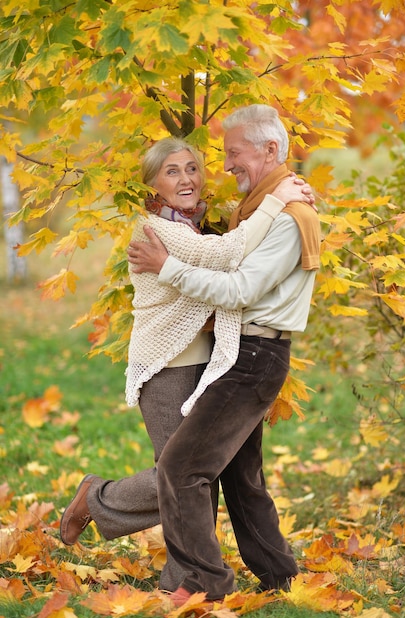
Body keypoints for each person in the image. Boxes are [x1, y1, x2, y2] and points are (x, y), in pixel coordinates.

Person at [59, 134, 315, 593]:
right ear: (153, 185)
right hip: (166, 367)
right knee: (178, 475)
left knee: (196, 474)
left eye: (192, 168)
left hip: (211, 364)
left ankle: (184, 579)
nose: (186, 178)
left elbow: (229, 255)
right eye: (172, 171)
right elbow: (226, 255)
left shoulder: (197, 225)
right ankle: (97, 500)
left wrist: (281, 195)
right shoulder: (157, 231)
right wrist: (277, 201)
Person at [130, 104, 321, 605]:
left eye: (233, 154)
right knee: (240, 475)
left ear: (270, 150)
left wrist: (166, 266)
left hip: (255, 356)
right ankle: (280, 576)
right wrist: (276, 198)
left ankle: (200, 584)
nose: (226, 164)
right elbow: (228, 247)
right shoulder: (263, 204)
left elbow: (238, 287)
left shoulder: (284, 214)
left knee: (181, 467)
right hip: (241, 350)